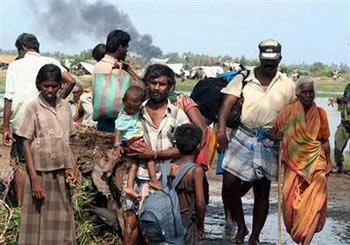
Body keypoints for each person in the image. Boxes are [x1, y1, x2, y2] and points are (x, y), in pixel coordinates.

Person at [217, 39, 295, 244]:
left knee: (262, 189)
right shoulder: (243, 78)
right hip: (243, 134)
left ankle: (255, 237)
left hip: (269, 139)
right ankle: (241, 226)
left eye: (273, 61)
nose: (269, 65)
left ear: (280, 58)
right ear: (260, 58)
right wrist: (221, 132)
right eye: (266, 61)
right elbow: (226, 105)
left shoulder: (287, 84)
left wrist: (285, 134)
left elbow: (294, 115)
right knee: (229, 184)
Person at [2, 33, 76, 207]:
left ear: (22, 49)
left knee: (21, 164)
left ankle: (21, 205)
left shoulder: (15, 65)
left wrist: (5, 127)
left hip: (22, 121)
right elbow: (71, 81)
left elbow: (9, 97)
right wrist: (57, 102)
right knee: (48, 162)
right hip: (48, 123)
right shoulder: (51, 61)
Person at [120, 64, 189, 245]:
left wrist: (154, 153)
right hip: (134, 176)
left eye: (162, 84)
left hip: (163, 179)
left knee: (154, 228)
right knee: (130, 223)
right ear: (147, 84)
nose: (156, 88)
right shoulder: (135, 110)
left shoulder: (177, 115)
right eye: (153, 83)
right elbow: (121, 138)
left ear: (171, 87)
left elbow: (184, 148)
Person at [16, 64, 77, 244]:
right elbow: (25, 142)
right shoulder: (32, 107)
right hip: (40, 173)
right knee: (37, 217)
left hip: (60, 172)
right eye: (45, 86)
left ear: (60, 86)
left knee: (62, 217)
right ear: (39, 85)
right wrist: (34, 179)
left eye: (54, 86)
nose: (50, 90)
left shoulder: (65, 106)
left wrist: (71, 168)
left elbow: (68, 140)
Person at [272, 77, 332, 244]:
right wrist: (278, 136)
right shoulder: (288, 112)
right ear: (297, 93)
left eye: (311, 92)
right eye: (304, 92)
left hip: (316, 164)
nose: (307, 95)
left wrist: (329, 162)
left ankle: (307, 242)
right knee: (292, 203)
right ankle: (299, 232)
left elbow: (325, 141)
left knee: (316, 202)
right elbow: (273, 131)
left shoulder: (321, 113)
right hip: (294, 166)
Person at [113, 85, 161, 199]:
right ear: (124, 102)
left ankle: (129, 186)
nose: (131, 111)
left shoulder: (135, 109)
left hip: (131, 142)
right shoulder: (123, 116)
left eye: (135, 109)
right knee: (149, 156)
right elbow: (118, 131)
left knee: (134, 164)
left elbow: (145, 95)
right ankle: (154, 180)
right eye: (129, 108)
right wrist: (117, 144)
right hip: (134, 141)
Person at [92, 30, 141, 132]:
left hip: (102, 123)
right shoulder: (122, 70)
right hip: (120, 123)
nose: (127, 51)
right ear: (120, 48)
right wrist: (129, 70)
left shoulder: (97, 66)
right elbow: (141, 88)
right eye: (126, 48)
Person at [170, 123, 206, 244]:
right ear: (199, 146)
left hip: (168, 219)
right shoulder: (196, 171)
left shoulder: (168, 167)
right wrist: (201, 226)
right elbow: (200, 203)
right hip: (188, 222)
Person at [330, 83, 350, 173]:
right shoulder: (348, 86)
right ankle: (339, 166)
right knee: (338, 141)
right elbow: (345, 101)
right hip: (345, 122)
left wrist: (340, 99)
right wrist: (336, 101)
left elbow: (346, 99)